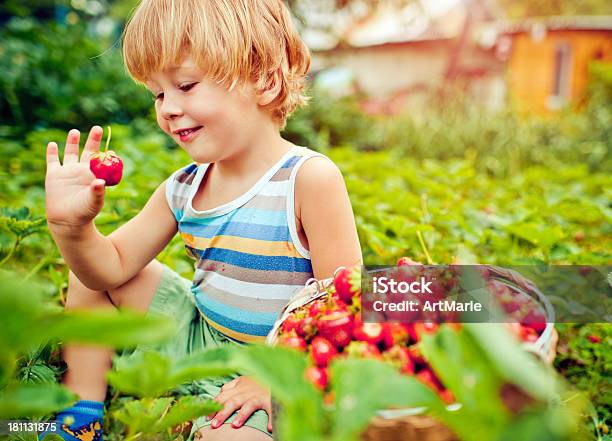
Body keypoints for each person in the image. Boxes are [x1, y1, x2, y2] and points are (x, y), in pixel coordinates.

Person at [43, 0, 362, 440]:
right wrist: (72, 230)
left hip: (280, 360)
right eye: (158, 93)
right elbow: (110, 266)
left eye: (186, 85)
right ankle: (80, 416)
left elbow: (344, 304)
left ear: (264, 82)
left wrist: (279, 378)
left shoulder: (307, 179)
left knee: (228, 437)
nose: (168, 108)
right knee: (90, 280)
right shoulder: (184, 186)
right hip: (199, 337)